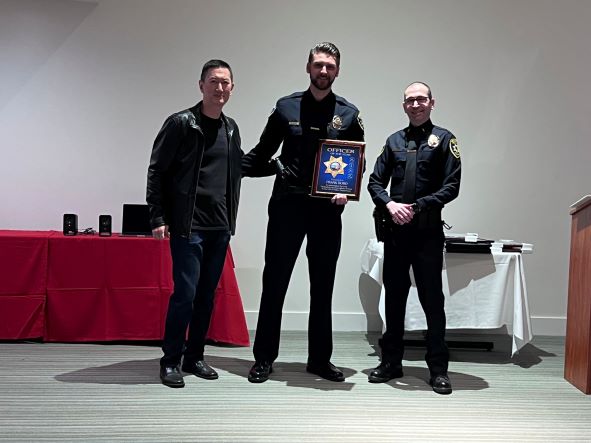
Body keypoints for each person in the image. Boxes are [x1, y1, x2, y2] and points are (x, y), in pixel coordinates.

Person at [242, 42, 364, 383]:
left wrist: (346, 190)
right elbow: (261, 152)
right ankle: (264, 358)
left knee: (322, 287)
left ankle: (320, 361)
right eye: (318, 65)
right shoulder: (285, 107)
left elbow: (357, 163)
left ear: (338, 71)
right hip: (287, 207)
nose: (323, 71)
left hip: (327, 213)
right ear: (308, 68)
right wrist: (227, 167)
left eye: (329, 66)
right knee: (275, 283)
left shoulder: (350, 114)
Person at [146, 59, 243, 388]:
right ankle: (170, 359)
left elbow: (236, 169)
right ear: (201, 85)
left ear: (232, 88)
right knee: (185, 294)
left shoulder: (231, 128)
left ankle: (195, 356)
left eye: (225, 83)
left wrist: (279, 166)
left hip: (219, 228)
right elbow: (157, 170)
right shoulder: (181, 123)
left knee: (206, 297)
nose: (219, 88)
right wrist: (157, 216)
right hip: (189, 227)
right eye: (213, 81)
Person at [367, 81, 461, 395]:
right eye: (410, 100)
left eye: (421, 99)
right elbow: (375, 181)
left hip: (427, 234)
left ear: (432, 102)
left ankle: (438, 369)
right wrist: (390, 204)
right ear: (404, 105)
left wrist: (418, 206)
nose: (416, 104)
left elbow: (452, 186)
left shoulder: (445, 140)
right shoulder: (393, 141)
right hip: (396, 234)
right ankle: (391, 362)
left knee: (432, 301)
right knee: (393, 300)